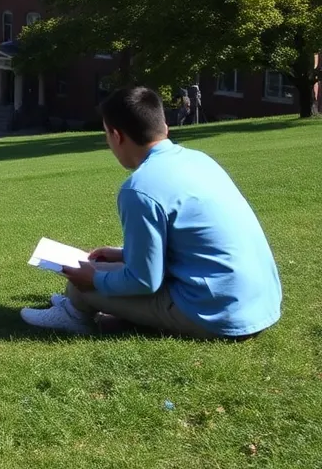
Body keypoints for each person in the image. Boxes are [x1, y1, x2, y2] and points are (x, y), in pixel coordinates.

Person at [20, 86, 282, 339]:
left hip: (216, 315)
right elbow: (190, 243)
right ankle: (106, 307)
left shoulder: (139, 189)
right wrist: (122, 254)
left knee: (84, 285)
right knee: (106, 266)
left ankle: (75, 313)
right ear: (163, 126)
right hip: (258, 304)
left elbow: (145, 281)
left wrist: (95, 281)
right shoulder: (200, 160)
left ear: (116, 135)